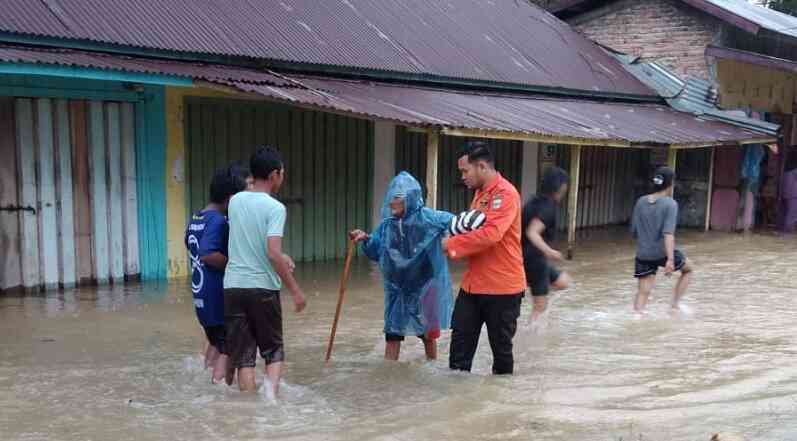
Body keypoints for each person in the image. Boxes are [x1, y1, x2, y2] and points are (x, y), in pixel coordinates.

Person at [223, 146, 307, 395]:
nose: (283, 177)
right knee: (273, 351)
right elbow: (272, 252)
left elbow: (250, 240)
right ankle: (270, 404)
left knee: (245, 357)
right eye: (282, 173)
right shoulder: (275, 208)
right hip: (262, 288)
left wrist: (281, 256)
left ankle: (249, 409)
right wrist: (295, 290)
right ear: (273, 175)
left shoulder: (235, 201)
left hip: (233, 287)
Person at [350, 172, 454, 361]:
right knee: (392, 334)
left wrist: (450, 240)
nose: (391, 202)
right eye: (391, 197)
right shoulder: (387, 225)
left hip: (426, 285)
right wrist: (365, 238)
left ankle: (432, 368)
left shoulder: (429, 219)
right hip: (397, 289)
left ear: (411, 198)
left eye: (397, 197)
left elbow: (455, 223)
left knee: (428, 335)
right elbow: (377, 251)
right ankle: (389, 374)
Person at [442, 141, 526, 375]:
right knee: (459, 349)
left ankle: (502, 396)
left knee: (501, 352)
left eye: (465, 171)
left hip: (503, 288)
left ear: (481, 166)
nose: (462, 177)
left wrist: (451, 245)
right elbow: (471, 230)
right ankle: (458, 396)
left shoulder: (506, 194)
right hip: (473, 285)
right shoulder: (479, 194)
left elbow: (491, 234)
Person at [185, 166, 248, 383]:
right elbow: (207, 254)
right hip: (216, 298)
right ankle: (217, 389)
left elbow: (190, 245)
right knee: (228, 348)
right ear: (230, 199)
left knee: (217, 343)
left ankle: (205, 376)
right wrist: (235, 265)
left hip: (201, 298)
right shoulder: (218, 221)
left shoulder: (197, 218)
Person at [631, 166, 693, 313]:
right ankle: (674, 305)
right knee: (689, 269)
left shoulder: (640, 201)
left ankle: (637, 317)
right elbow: (668, 234)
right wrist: (670, 260)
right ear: (671, 184)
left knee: (643, 292)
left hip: (643, 254)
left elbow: (633, 231)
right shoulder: (671, 204)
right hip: (663, 253)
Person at [522, 167, 572, 322]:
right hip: (535, 260)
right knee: (540, 308)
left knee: (564, 282)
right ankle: (530, 334)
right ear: (561, 187)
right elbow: (532, 232)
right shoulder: (548, 207)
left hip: (526, 257)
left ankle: (537, 291)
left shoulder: (532, 202)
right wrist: (550, 251)